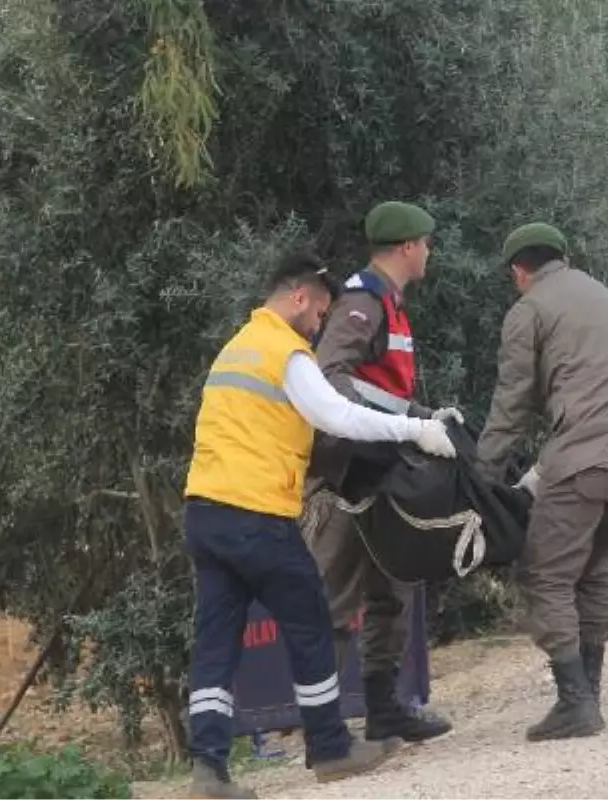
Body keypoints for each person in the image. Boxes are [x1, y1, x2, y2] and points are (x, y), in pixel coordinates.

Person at [181, 250, 457, 800]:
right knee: (311, 620)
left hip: (205, 513)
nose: (321, 324)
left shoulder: (234, 349)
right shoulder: (285, 352)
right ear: (300, 296)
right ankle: (330, 748)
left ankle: (208, 769)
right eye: (320, 312)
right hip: (257, 513)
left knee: (216, 639)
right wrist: (413, 430)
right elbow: (338, 415)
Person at [476, 223, 608, 741]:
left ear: (520, 272)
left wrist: (480, 476)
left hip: (589, 454)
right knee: (592, 566)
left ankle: (575, 701)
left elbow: (511, 401)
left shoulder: (529, 309)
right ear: (564, 257)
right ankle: (591, 692)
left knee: (545, 573)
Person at [301, 201, 457, 744]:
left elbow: (384, 387)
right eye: (427, 244)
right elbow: (329, 378)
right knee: (333, 598)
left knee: (392, 586)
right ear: (410, 246)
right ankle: (324, 731)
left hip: (383, 469)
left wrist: (421, 418)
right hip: (348, 475)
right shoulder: (362, 303)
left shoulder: (391, 305)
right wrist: (409, 418)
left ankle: (384, 708)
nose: (429, 253)